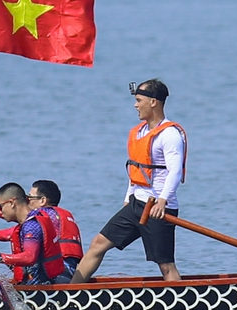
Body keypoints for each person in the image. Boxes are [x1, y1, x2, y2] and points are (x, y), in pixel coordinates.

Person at [73, 78, 184, 281]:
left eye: (139, 100)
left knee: (166, 265)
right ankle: (70, 292)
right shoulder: (139, 132)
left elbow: (174, 171)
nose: (135, 105)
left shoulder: (169, 134)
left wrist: (162, 200)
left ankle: (179, 308)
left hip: (158, 209)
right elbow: (136, 168)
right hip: (136, 204)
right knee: (97, 244)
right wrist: (128, 196)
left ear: (153, 102)